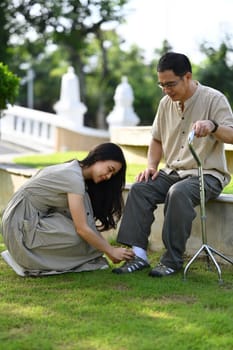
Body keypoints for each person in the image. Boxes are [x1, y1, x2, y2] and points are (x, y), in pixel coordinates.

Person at [112, 52, 233, 277]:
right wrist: (151, 165)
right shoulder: (165, 103)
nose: (166, 90)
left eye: (170, 84)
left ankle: (172, 260)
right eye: (162, 85)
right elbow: (156, 138)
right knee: (140, 188)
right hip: (174, 172)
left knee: (178, 193)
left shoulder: (214, 99)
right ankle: (137, 256)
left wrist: (213, 126)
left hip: (207, 175)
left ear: (187, 77)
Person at [1, 142, 134, 276]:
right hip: (18, 228)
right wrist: (110, 250)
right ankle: (27, 259)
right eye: (110, 169)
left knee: (85, 234)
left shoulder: (73, 169)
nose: (109, 176)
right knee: (79, 236)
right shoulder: (73, 178)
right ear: (99, 157)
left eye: (113, 174)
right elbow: (82, 228)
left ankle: (34, 257)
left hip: (19, 222)